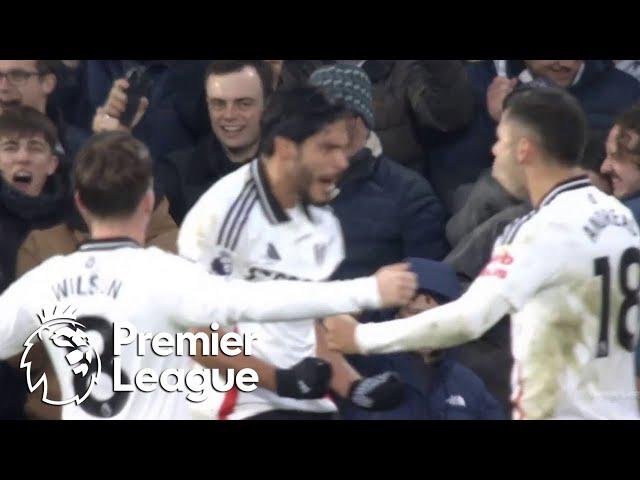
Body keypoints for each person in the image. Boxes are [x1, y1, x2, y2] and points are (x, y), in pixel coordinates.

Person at [0, 131, 417, 420]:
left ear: (80, 203)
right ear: (148, 201)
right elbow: (262, 305)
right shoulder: (169, 275)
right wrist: (367, 290)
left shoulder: (46, 280)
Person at [325, 87, 640, 420]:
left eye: (501, 140)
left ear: (524, 150)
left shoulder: (540, 229)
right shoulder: (619, 216)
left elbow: (468, 318)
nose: (494, 150)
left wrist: (362, 336)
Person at [179, 86, 408, 420]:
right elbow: (198, 338)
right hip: (238, 406)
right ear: (286, 149)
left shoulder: (321, 220)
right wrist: (281, 380)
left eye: (343, 149)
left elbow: (304, 328)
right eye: (328, 148)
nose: (342, 161)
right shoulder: (223, 214)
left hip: (307, 404)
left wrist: (354, 386)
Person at [430, 60, 640, 213]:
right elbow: (454, 181)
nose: (567, 63)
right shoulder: (476, 82)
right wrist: (500, 123)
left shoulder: (626, 93)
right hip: (490, 226)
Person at [308, 64, 449, 280]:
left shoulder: (409, 194)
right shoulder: (287, 186)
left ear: (360, 122)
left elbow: (425, 291)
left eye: (334, 116)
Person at [331, 258, 505, 420]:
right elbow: (324, 326)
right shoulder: (361, 364)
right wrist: (368, 293)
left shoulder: (468, 384)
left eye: (434, 315)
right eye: (414, 314)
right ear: (394, 317)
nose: (425, 325)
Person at [158, 60, 273, 224]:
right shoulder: (177, 173)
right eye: (218, 104)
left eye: (244, 104)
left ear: (267, 104)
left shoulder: (299, 171)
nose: (229, 115)